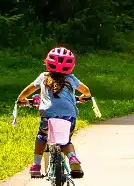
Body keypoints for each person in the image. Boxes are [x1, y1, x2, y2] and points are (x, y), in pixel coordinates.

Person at [16, 46, 92, 179]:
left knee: (41, 137)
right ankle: (73, 158)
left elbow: (28, 90)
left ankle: (36, 166)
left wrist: (21, 99)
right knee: (66, 142)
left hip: (48, 115)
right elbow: (86, 91)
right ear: (71, 66)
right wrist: (84, 97)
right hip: (69, 116)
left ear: (48, 62)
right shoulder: (72, 79)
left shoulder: (43, 77)